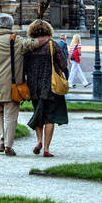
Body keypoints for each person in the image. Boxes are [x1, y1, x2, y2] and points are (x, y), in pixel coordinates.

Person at [0, 13, 41, 156]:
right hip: (11, 85)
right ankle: (8, 146)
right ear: (11, 25)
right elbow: (34, 44)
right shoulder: (16, 40)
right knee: (10, 116)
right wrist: (46, 37)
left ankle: (1, 140)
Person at [23, 21, 67, 156]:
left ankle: (39, 141)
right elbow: (63, 64)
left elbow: (24, 67)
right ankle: (46, 149)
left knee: (38, 113)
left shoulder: (30, 46)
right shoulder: (53, 45)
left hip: (33, 86)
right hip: (50, 85)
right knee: (50, 118)